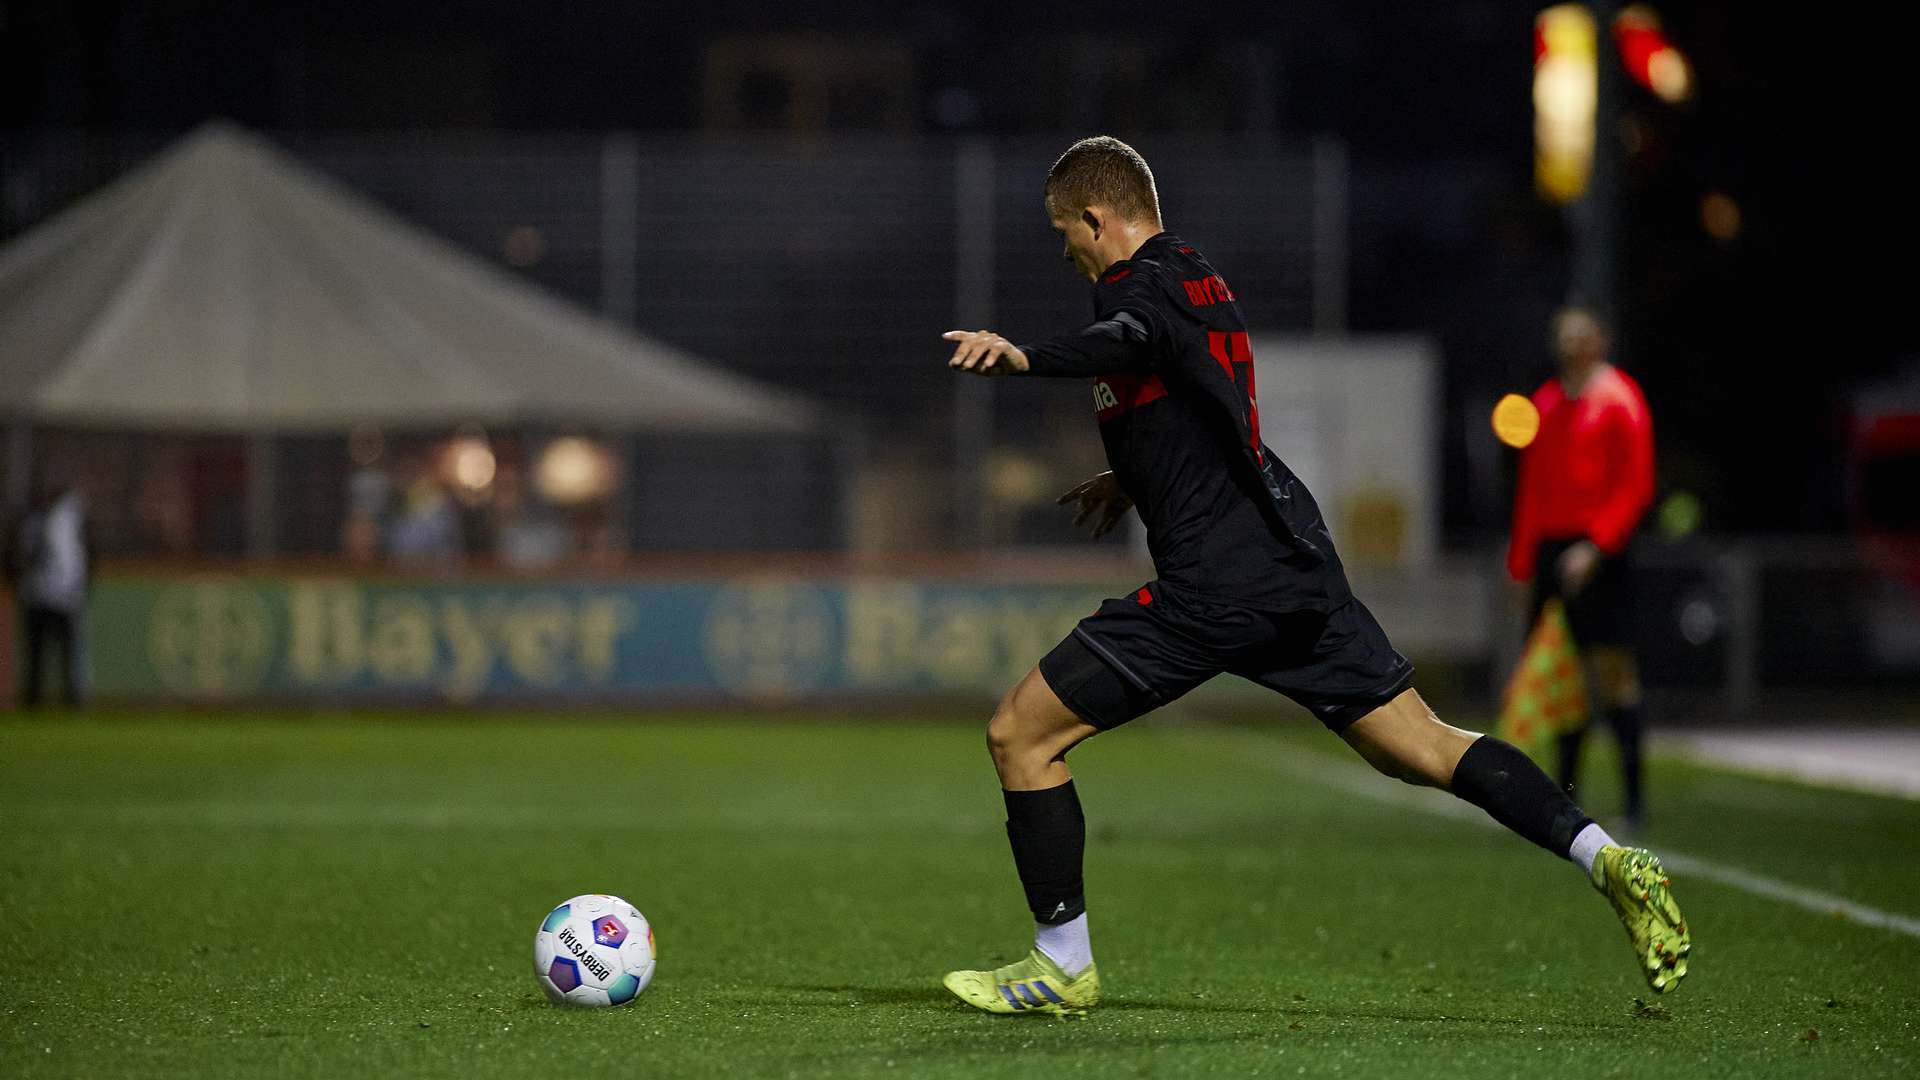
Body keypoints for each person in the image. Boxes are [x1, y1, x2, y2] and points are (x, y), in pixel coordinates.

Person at [936, 136, 1688, 1016]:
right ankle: (1604, 855)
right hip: (1293, 566)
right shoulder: (1197, 275)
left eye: (1066, 233)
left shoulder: (1134, 287)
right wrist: (1128, 479)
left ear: (1098, 220)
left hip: (1212, 588)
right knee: (1428, 746)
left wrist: (1026, 357)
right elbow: (1195, 393)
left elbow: (1129, 337)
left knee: (1020, 735)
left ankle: (1062, 964)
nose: (1066, 251)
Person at [1508, 307, 1656, 829]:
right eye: (1564, 336)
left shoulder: (1621, 400)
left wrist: (1596, 547)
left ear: (1601, 339)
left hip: (1600, 553)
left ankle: (1636, 801)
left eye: (1581, 336)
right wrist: (1524, 566)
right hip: (1552, 553)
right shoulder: (1546, 403)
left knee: (1614, 676)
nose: (1572, 345)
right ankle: (1565, 800)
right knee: (1562, 678)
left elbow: (1635, 485)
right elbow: (1532, 493)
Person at [5, 483, 93, 708]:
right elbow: (13, 555)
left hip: (66, 597)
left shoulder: (71, 520)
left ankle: (73, 700)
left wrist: (83, 586)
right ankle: (33, 700)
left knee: (69, 654)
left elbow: (88, 554)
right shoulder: (29, 521)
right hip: (36, 596)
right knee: (36, 654)